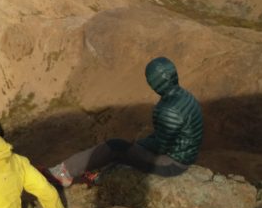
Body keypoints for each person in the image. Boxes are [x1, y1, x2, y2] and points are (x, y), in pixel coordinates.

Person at [48, 56, 203, 187]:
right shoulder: (184, 95)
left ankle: (65, 172)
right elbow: (169, 136)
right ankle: (96, 174)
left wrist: (137, 146)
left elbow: (162, 146)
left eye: (150, 79)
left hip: (171, 164)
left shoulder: (166, 109)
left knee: (115, 147)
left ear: (155, 82)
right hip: (184, 156)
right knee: (128, 150)